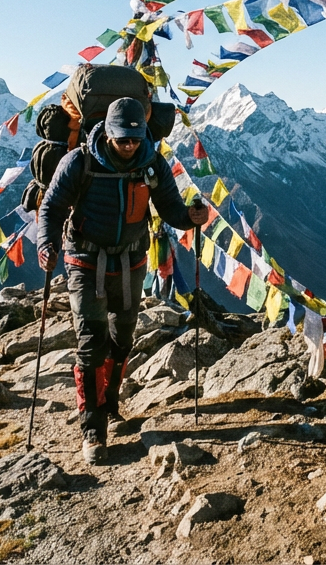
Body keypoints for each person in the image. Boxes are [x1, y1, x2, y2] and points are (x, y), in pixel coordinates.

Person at [37, 97, 207, 464]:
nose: (129, 145)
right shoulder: (79, 162)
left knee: (122, 336)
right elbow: (51, 207)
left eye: (135, 139)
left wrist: (192, 216)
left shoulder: (152, 163)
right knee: (91, 341)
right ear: (109, 132)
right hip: (84, 261)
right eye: (122, 139)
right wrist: (46, 244)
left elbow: (170, 208)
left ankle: (110, 403)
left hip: (132, 261)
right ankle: (92, 428)